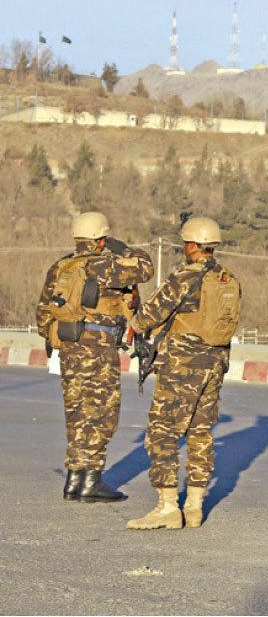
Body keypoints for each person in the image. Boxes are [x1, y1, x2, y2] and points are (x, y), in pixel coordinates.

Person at [127, 217, 241, 530]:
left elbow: (151, 314)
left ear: (191, 245)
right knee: (200, 432)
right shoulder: (228, 279)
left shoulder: (185, 276)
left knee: (162, 431)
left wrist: (134, 322)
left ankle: (167, 507)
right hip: (215, 364)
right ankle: (194, 506)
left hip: (182, 366)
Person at [36, 211, 154, 502]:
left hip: (69, 347)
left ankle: (74, 480)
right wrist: (123, 248)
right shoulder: (106, 265)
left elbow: (43, 314)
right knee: (101, 413)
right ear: (101, 239)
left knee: (77, 413)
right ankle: (92, 481)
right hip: (99, 349)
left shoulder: (61, 266)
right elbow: (146, 268)